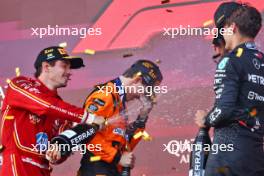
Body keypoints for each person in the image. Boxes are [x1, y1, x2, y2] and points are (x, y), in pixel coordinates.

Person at [0, 46, 105, 176]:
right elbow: (45, 105)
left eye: (69, 67)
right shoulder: (19, 84)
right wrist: (89, 117)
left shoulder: (61, 110)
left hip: (43, 170)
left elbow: (60, 152)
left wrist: (58, 151)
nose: (69, 71)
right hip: (17, 164)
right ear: (46, 67)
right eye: (64, 66)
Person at [195, 2, 264, 176]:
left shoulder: (230, 61)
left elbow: (224, 110)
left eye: (222, 30)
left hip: (227, 157)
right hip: (255, 157)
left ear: (231, 27)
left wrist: (207, 119)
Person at [77, 60, 163, 176]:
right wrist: (117, 157)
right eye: (146, 91)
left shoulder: (119, 100)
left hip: (110, 169)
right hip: (96, 169)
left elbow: (124, 145)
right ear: (137, 80)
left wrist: (142, 117)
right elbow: (84, 134)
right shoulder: (106, 95)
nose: (143, 96)